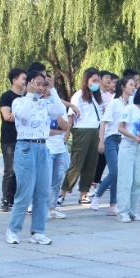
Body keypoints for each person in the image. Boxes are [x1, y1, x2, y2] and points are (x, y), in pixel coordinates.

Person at [7, 70, 63, 244]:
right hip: (26, 146)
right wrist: (30, 95)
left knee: (43, 192)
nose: (40, 88)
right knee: (25, 192)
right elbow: (23, 114)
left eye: (42, 84)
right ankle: (13, 229)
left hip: (43, 147)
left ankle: (38, 231)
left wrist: (52, 90)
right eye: (37, 84)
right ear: (29, 83)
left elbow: (60, 111)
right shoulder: (19, 101)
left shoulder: (45, 103)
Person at [91, 76, 133, 216]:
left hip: (124, 140)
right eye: (131, 85)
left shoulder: (131, 104)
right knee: (114, 172)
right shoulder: (115, 103)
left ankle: (113, 205)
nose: (133, 87)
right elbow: (104, 122)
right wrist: (101, 141)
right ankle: (97, 196)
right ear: (123, 87)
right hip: (111, 140)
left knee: (118, 174)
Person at [61, 68, 103, 204]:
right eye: (94, 80)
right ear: (86, 81)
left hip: (94, 132)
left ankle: (83, 194)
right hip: (81, 131)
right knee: (76, 164)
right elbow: (70, 116)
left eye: (98, 80)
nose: (96, 83)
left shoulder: (96, 97)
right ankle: (62, 194)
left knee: (91, 164)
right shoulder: (78, 96)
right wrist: (67, 134)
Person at [114, 83, 140, 222]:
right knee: (126, 180)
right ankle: (122, 211)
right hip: (128, 146)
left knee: (139, 181)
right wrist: (134, 137)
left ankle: (133, 210)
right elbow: (121, 128)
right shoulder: (129, 109)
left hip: (139, 147)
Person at [0, 68, 26, 211]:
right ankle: (6, 199)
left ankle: (17, 198)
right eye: (23, 78)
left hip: (24, 138)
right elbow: (7, 116)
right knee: (10, 170)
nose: (26, 81)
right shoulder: (6, 96)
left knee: (22, 170)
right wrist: (25, 113)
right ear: (14, 80)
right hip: (9, 138)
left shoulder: (27, 97)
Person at [45, 75, 71, 221]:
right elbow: (44, 130)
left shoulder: (57, 104)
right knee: (45, 180)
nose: (47, 89)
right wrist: (58, 131)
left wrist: (56, 112)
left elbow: (65, 126)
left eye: (49, 86)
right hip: (47, 148)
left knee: (57, 181)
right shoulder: (39, 104)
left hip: (59, 149)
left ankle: (52, 208)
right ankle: (40, 207)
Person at [88, 70, 117, 193]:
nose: (109, 80)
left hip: (108, 131)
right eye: (107, 77)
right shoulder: (96, 94)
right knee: (96, 158)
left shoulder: (111, 96)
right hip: (98, 129)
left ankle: (95, 182)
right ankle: (90, 183)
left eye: (110, 78)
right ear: (100, 80)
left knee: (103, 159)